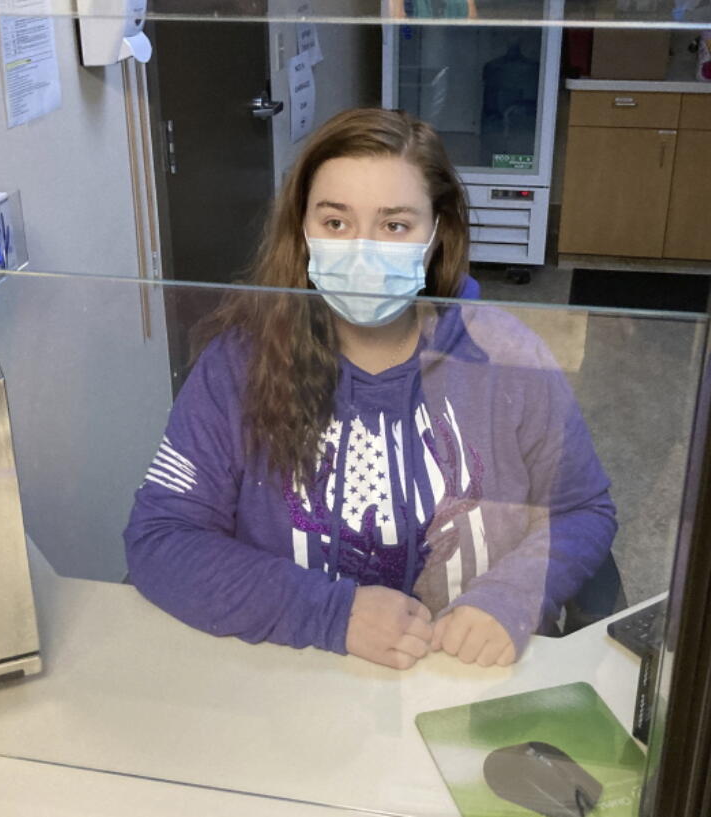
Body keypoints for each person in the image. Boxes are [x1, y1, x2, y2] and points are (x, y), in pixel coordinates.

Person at [124, 108, 616, 670]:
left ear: (436, 233)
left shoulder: (508, 357)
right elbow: (161, 537)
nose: (362, 250)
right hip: (292, 679)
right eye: (336, 223)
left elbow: (582, 509)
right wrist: (330, 613)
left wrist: (513, 595)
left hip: (464, 678)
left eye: (394, 225)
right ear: (301, 230)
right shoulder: (239, 363)